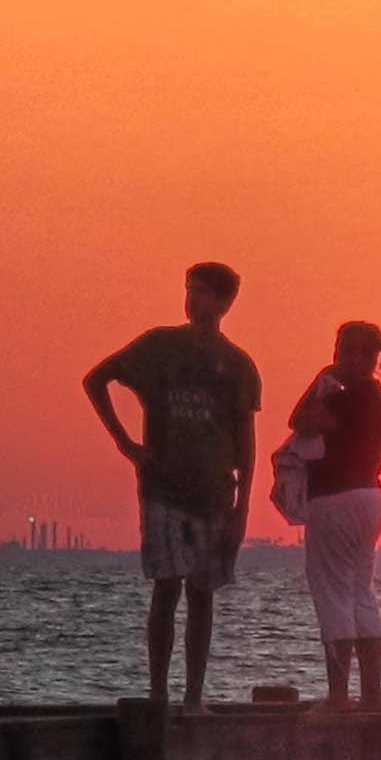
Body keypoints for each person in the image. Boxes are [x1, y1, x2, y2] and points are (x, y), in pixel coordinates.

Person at [84, 262, 262, 710]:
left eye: (202, 293)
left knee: (202, 594)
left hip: (215, 493)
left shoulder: (238, 365)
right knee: (166, 588)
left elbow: (246, 439)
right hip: (163, 488)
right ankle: (159, 694)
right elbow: (96, 379)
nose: (193, 300)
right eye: (189, 291)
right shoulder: (159, 346)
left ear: (224, 303)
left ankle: (194, 698)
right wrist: (126, 443)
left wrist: (243, 507)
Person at [290, 321, 381, 708]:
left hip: (336, 499)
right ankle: (372, 693)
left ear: (371, 357)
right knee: (360, 593)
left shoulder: (349, 397)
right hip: (370, 497)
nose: (341, 359)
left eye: (351, 352)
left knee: (334, 593)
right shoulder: (377, 398)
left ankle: (338, 694)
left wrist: (323, 377)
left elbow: (300, 419)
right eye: (339, 351)